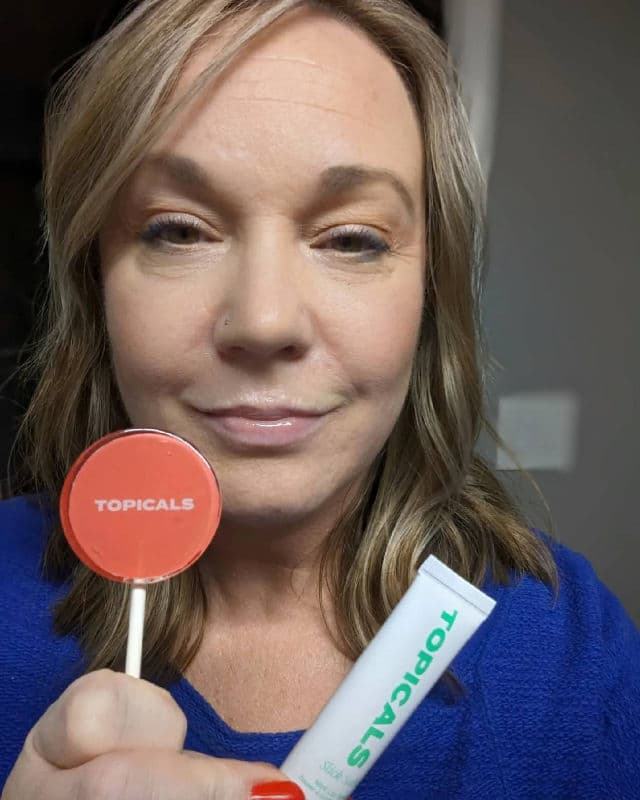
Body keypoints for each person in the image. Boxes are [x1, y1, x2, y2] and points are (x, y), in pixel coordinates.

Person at [1, 0, 639, 798]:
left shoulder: (573, 655)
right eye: (179, 230)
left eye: (351, 239)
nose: (264, 321)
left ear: (431, 292)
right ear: (95, 284)